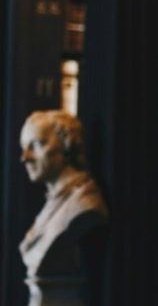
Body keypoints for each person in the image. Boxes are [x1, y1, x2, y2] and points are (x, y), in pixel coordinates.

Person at [18, 110, 108, 306]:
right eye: (24, 148)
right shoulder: (52, 202)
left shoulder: (84, 203)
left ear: (66, 145)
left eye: (36, 145)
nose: (25, 157)